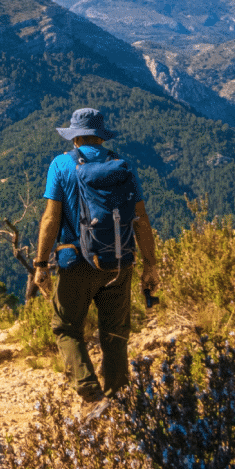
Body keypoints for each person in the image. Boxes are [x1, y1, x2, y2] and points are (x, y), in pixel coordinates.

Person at [33, 107, 158, 403]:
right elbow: (140, 218)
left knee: (66, 327)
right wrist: (151, 265)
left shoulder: (61, 165)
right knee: (115, 334)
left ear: (74, 138)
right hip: (119, 262)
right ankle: (117, 400)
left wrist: (40, 263)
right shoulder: (122, 166)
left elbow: (51, 218)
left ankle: (89, 388)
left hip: (76, 263)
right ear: (101, 137)